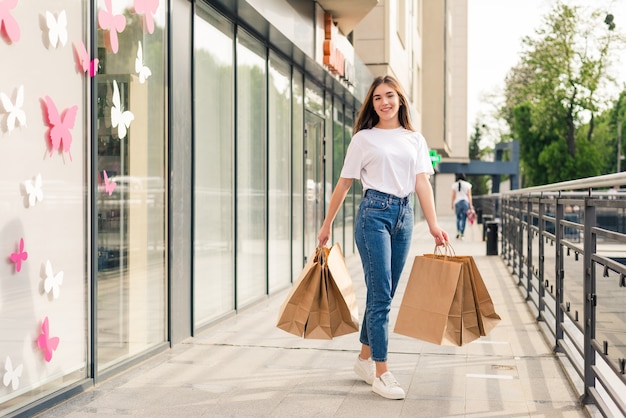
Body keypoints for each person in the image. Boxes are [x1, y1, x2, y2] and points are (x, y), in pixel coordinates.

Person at [317, 75, 448, 400]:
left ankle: (363, 359)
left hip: (404, 216)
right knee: (380, 298)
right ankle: (381, 371)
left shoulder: (414, 139)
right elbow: (345, 183)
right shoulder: (364, 139)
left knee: (385, 294)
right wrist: (326, 224)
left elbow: (421, 183)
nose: (384, 102)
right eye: (377, 98)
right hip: (373, 215)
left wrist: (433, 225)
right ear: (371, 104)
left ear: (400, 100)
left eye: (390, 96)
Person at [450, 173, 473, 239]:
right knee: (464, 218)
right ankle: (462, 233)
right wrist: (471, 205)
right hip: (465, 202)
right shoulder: (467, 185)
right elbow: (469, 196)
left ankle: (458, 231)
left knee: (458, 218)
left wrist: (452, 204)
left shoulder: (454, 185)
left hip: (457, 202)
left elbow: (453, 196)